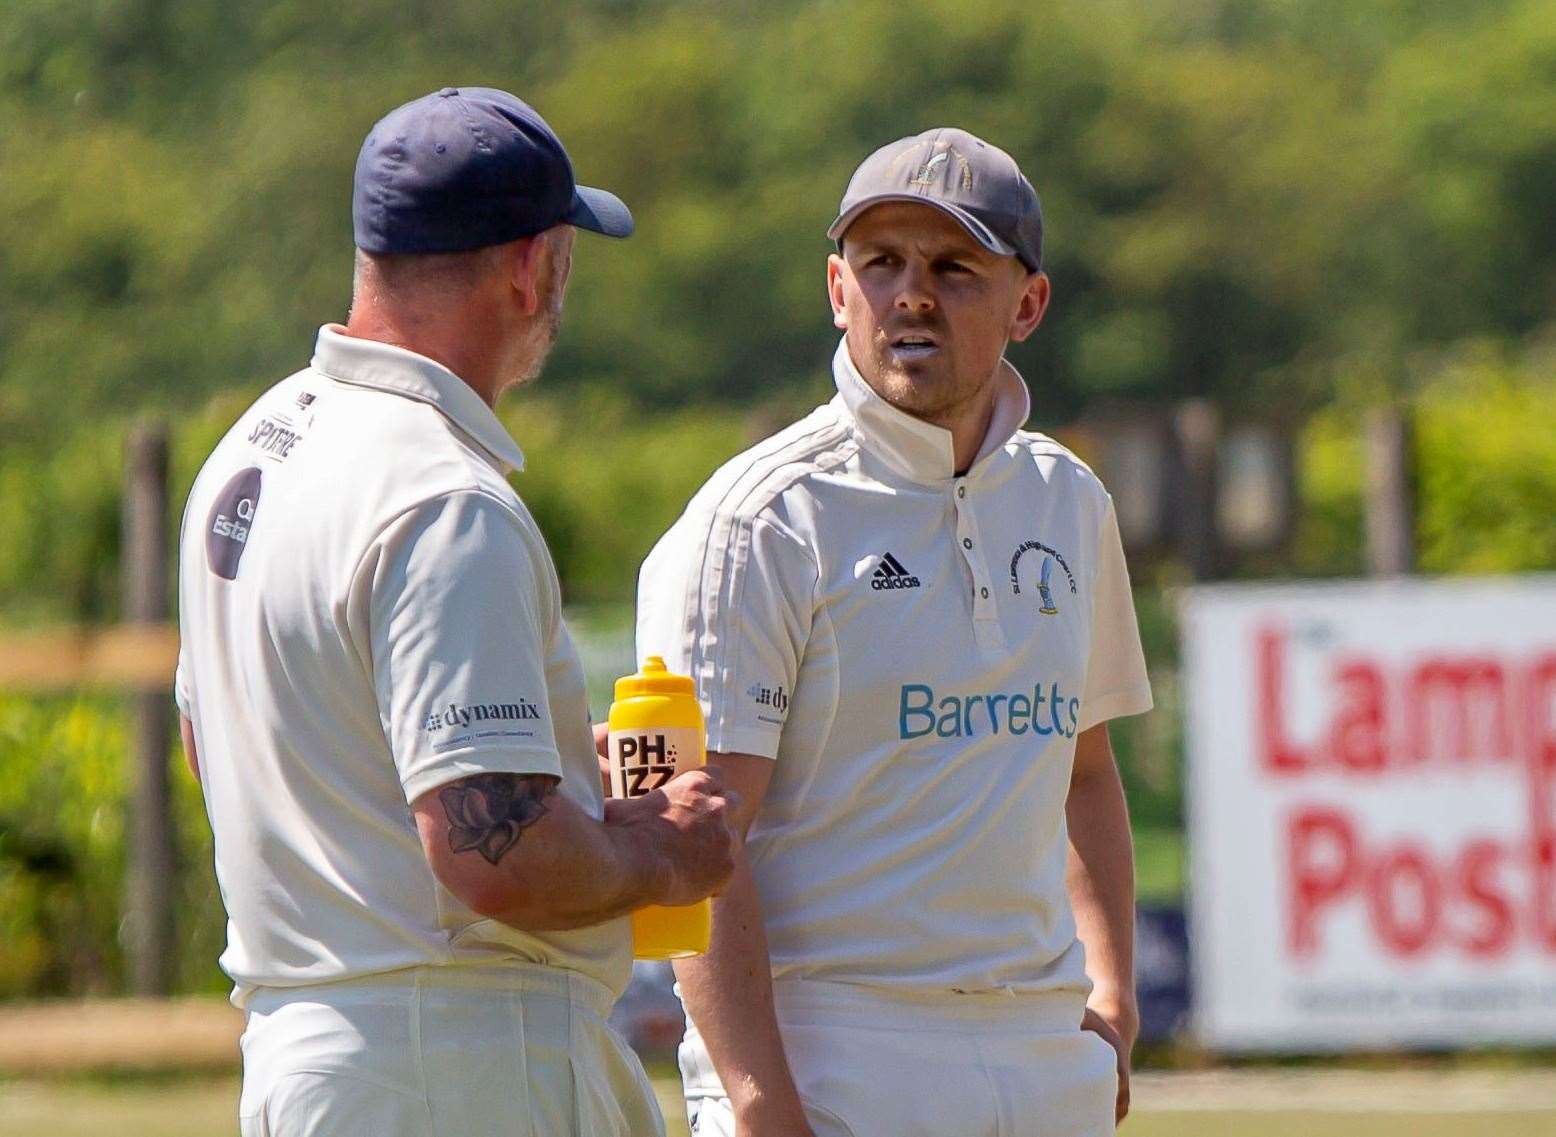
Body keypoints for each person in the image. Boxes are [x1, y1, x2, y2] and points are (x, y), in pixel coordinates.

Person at [175, 86, 737, 1137]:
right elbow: (494, 852)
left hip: (311, 1056)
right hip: (463, 1060)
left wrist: (557, 765)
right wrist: (659, 851)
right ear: (533, 266)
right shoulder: (442, 498)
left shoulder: (250, 450)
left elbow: (222, 743)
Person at [636, 127, 1152, 1137]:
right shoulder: (759, 520)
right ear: (838, 290)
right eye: (882, 265)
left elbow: (1082, 768)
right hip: (831, 1050)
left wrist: (1114, 998)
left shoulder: (1067, 500)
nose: (911, 293)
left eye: (954, 268)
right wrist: (756, 1102)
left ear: (1027, 304)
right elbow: (696, 841)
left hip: (1042, 1052)